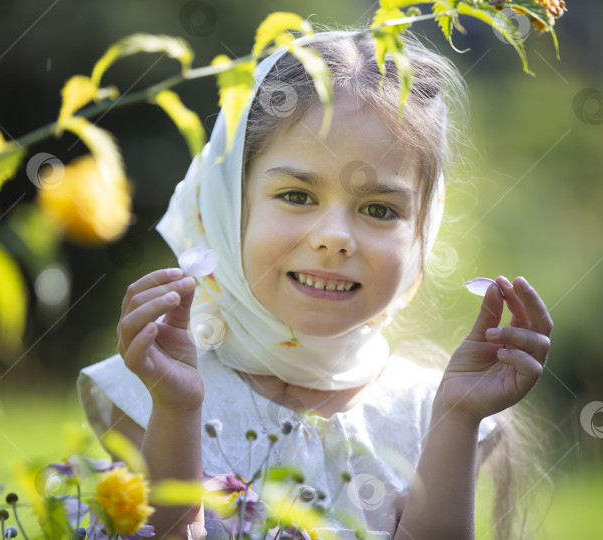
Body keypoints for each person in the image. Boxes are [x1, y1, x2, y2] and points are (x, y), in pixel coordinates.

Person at [78, 29, 553, 540]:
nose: (334, 239)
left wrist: (456, 421)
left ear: (423, 230)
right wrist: (176, 412)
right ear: (227, 203)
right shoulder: (151, 391)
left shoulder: (429, 412)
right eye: (297, 196)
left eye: (379, 209)